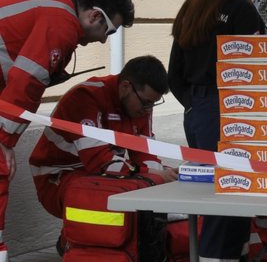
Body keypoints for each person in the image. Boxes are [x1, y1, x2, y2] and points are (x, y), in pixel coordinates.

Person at [0, 0, 134, 262]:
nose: (104, 39)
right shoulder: (60, 23)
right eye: (110, 31)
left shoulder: (50, 5)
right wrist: (4, 142)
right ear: (93, 15)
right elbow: (24, 84)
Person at [169, 0, 267, 262]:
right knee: (228, 210)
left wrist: (199, 108)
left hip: (199, 111)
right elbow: (262, 65)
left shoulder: (191, 8)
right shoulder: (240, 10)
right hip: (233, 113)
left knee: (229, 208)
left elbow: (174, 73)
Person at [30, 54, 177, 227]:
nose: (148, 110)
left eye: (153, 104)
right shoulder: (86, 97)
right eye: (146, 103)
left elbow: (146, 155)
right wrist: (152, 174)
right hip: (58, 177)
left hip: (98, 171)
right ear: (125, 87)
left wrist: (165, 176)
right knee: (117, 190)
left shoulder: (138, 105)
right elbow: (99, 163)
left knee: (164, 181)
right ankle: (75, 242)